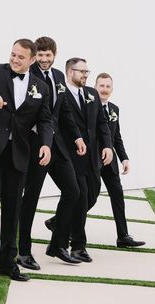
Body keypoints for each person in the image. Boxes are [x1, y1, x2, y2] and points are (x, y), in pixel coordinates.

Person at [0, 39, 53, 282]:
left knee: (13, 207)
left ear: (32, 60)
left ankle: (8, 262)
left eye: (20, 57)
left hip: (19, 152)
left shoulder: (40, 87)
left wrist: (46, 143)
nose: (14, 60)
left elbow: (45, 120)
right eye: (13, 54)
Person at [18, 37, 86, 269]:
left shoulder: (58, 76)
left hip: (57, 146)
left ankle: (57, 245)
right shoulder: (28, 76)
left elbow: (64, 109)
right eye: (41, 55)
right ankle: (23, 251)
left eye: (49, 55)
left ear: (54, 55)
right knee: (30, 199)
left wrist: (77, 136)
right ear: (35, 55)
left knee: (73, 191)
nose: (45, 60)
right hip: (35, 146)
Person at [49, 57, 113, 263]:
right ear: (69, 72)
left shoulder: (92, 94)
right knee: (81, 196)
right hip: (71, 155)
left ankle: (58, 222)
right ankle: (77, 246)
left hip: (93, 156)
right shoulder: (61, 94)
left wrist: (107, 146)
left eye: (87, 72)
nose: (86, 75)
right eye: (82, 72)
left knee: (92, 194)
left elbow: (102, 123)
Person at [95, 73, 145, 248]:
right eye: (101, 85)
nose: (104, 89)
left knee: (118, 195)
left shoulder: (114, 109)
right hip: (93, 160)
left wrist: (124, 158)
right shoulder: (89, 106)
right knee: (88, 197)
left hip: (111, 162)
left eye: (108, 86)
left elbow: (116, 137)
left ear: (112, 89)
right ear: (95, 87)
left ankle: (123, 236)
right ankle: (59, 222)